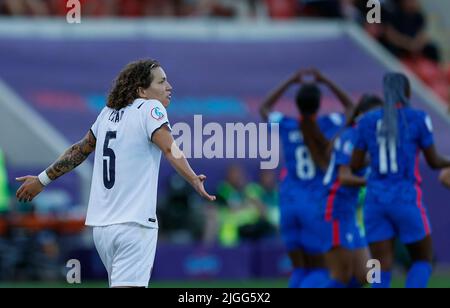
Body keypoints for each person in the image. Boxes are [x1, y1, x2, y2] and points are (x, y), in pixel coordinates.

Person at [15, 59, 216, 288]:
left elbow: (79, 150)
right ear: (142, 91)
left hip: (103, 229)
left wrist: (42, 180)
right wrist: (193, 178)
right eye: (161, 82)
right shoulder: (151, 108)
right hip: (134, 225)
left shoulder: (108, 113)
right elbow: (170, 148)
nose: (169, 86)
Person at [350, 72, 450, 288]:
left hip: (375, 199)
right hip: (405, 196)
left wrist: (377, 156)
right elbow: (433, 161)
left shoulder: (368, 121)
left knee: (378, 264)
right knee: (423, 259)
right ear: (407, 92)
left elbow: (355, 165)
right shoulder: (417, 117)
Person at [260, 68, 353, 288]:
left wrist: (290, 80)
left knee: (301, 268)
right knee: (321, 269)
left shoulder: (287, 124)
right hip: (315, 203)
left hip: (289, 202)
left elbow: (264, 108)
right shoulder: (327, 124)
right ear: (319, 103)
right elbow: (351, 108)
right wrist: (326, 80)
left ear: (297, 104)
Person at [302, 94, 383, 288]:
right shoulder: (352, 136)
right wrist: (371, 182)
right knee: (342, 276)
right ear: (363, 116)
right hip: (334, 208)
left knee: (366, 275)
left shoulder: (364, 138)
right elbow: (343, 177)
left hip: (348, 212)